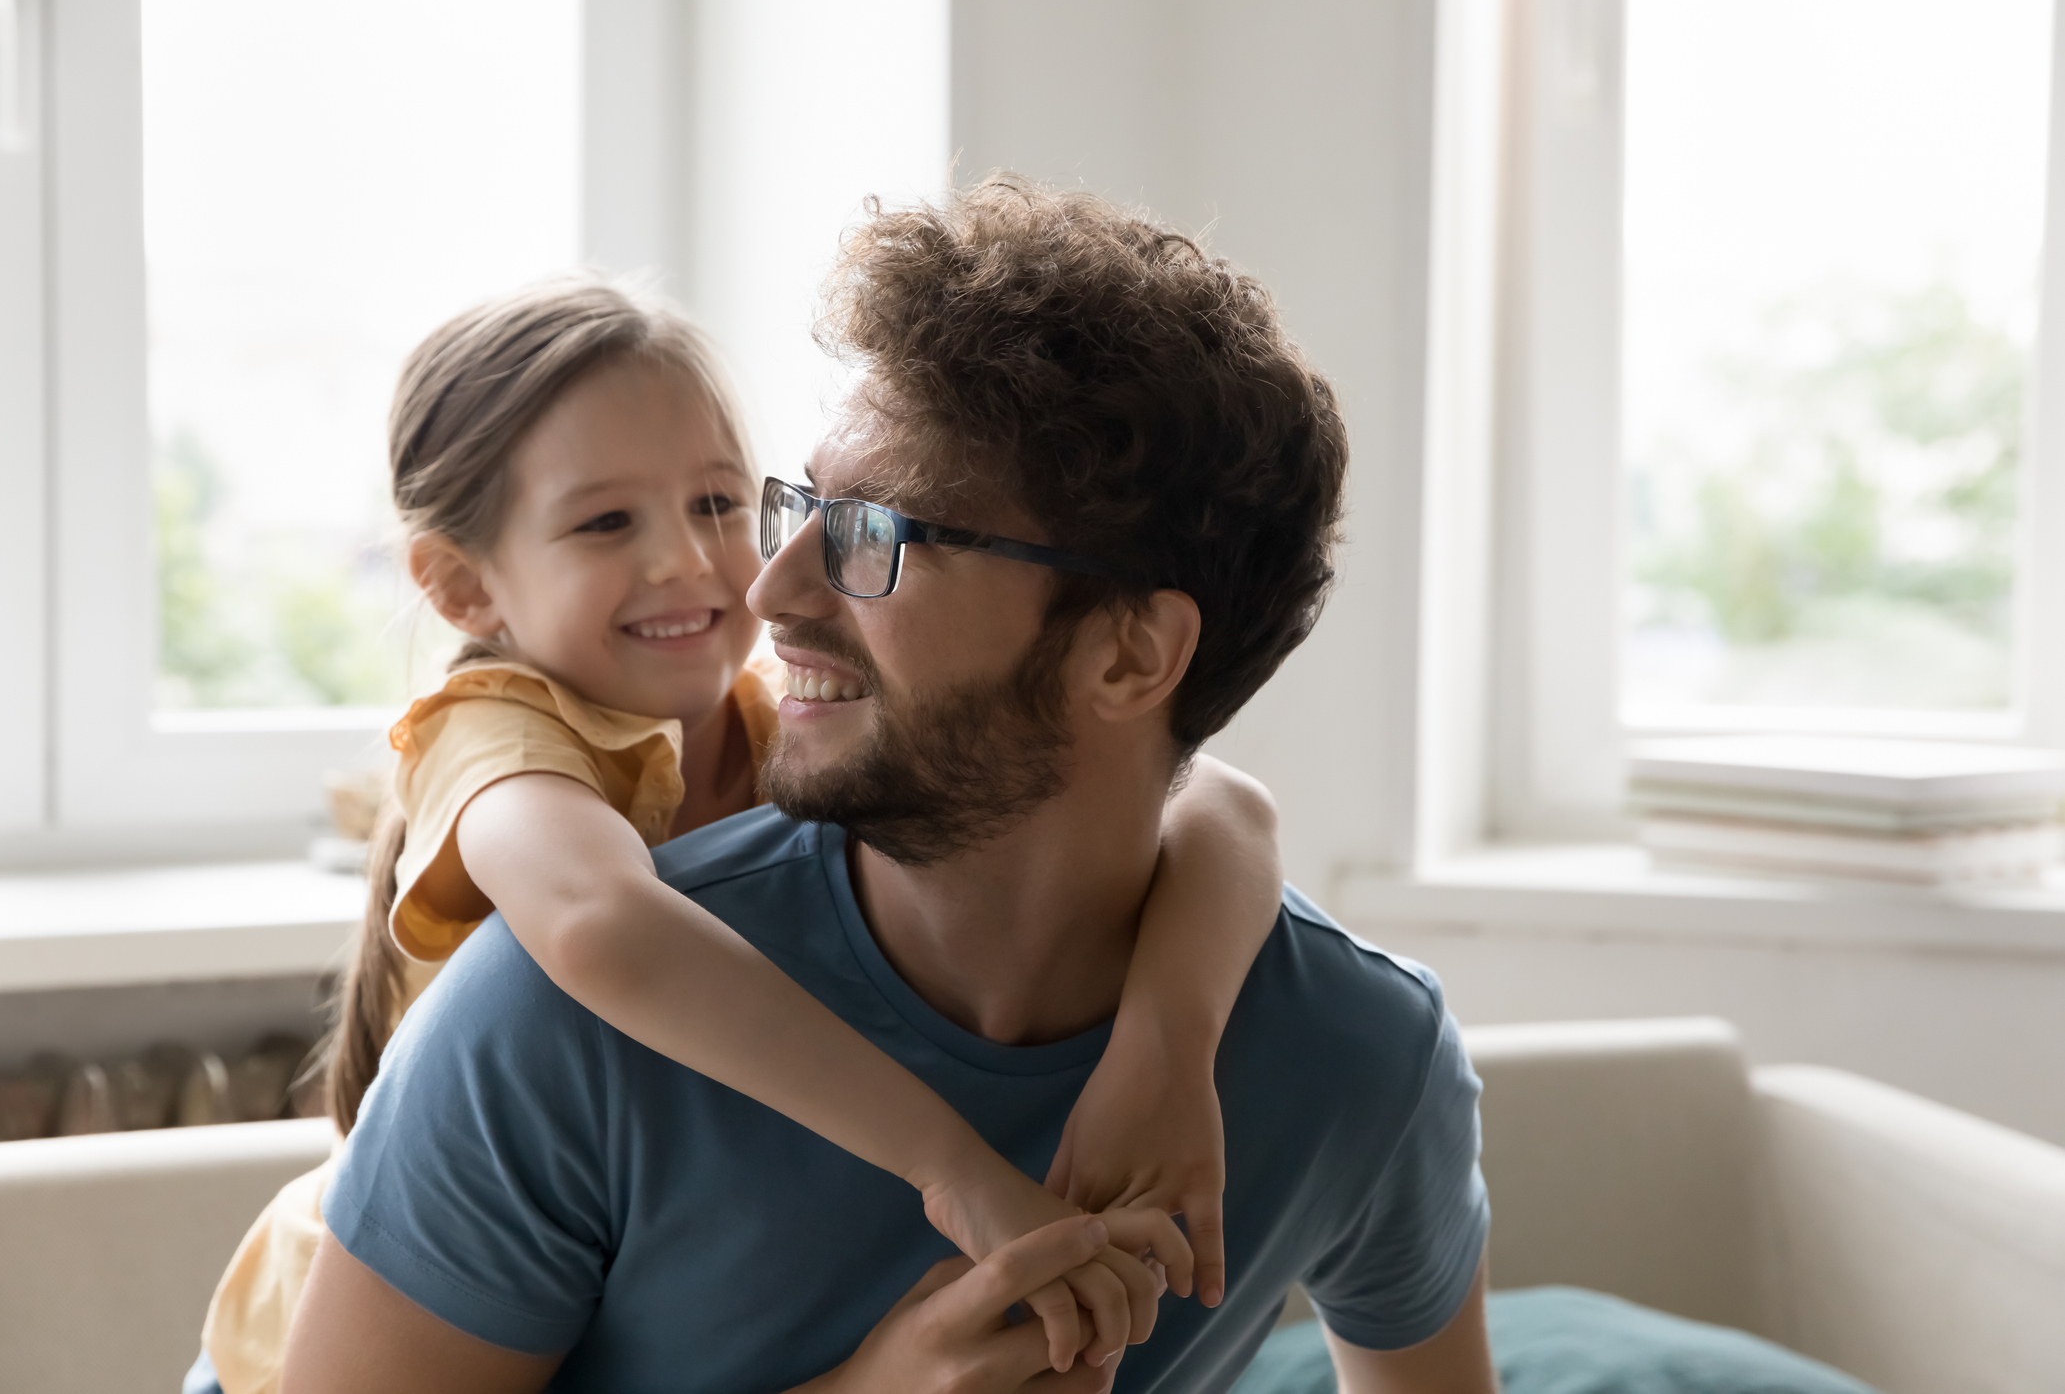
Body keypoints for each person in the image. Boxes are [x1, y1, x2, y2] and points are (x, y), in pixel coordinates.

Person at [279, 179, 1495, 1394]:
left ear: (1130, 654)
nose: (764, 590)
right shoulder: (560, 1015)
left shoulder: (1362, 1057)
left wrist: (1171, 1043)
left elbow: (1220, 798)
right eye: (802, 507)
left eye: (874, 535)